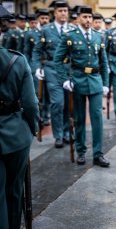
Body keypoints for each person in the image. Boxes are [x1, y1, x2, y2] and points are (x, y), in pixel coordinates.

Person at [54, 6, 110, 167]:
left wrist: (106, 83)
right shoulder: (69, 36)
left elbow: (103, 62)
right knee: (79, 119)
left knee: (97, 119)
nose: (87, 20)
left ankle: (98, 154)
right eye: (84, 17)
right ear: (78, 18)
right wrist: (64, 79)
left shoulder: (99, 36)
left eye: (89, 17)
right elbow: (58, 59)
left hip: (95, 80)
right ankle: (80, 151)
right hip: (77, 81)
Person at [0, 45, 39, 229]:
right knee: (15, 191)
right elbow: (30, 104)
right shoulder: (18, 60)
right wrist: (33, 128)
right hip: (16, 135)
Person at [33, 0, 74, 148]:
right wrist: (37, 67)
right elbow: (37, 51)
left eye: (65, 11)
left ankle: (67, 132)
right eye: (60, 11)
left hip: (69, 69)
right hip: (52, 69)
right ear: (55, 13)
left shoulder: (73, 29)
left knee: (69, 104)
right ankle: (58, 135)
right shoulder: (46, 30)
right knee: (57, 103)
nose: (63, 13)